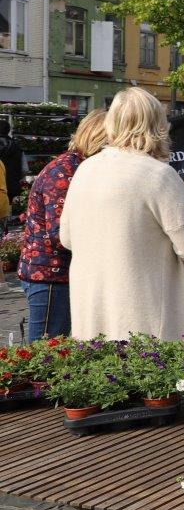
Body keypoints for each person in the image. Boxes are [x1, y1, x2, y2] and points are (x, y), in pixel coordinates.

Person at [61, 88, 184, 363]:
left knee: (103, 385)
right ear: (158, 126)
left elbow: (67, 238)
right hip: (147, 319)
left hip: (94, 315)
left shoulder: (85, 170)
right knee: (155, 393)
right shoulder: (158, 175)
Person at [17, 110, 108, 341]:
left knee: (53, 348)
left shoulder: (76, 167)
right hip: (49, 275)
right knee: (45, 350)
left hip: (55, 273)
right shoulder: (65, 172)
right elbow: (60, 234)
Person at [0, 119, 26, 205]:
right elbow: (24, 170)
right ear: (8, 130)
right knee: (8, 213)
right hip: (12, 187)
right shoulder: (17, 146)